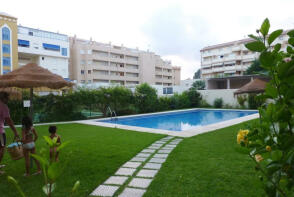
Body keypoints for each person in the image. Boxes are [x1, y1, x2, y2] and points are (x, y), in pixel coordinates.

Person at [0, 92, 19, 175]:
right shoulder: (3, 107)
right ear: (3, 98)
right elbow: (9, 121)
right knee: (1, 149)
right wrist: (15, 132)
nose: (8, 99)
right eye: (7, 98)